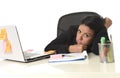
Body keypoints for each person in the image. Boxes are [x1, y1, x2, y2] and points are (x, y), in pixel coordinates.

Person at [44, 15, 111, 55]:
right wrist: (69, 48)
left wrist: (103, 28)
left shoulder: (98, 36)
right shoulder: (72, 31)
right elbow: (48, 48)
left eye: (86, 35)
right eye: (79, 31)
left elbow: (99, 51)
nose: (79, 37)